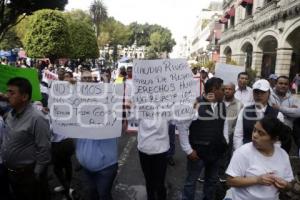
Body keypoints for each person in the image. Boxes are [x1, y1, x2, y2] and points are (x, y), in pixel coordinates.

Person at [177, 77, 229, 200]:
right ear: (213, 89)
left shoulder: (222, 105)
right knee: (191, 181)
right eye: (222, 89)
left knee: (211, 181)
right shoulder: (195, 104)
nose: (225, 91)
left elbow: (224, 123)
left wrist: (225, 140)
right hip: (198, 153)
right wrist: (188, 150)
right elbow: (183, 126)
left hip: (216, 152)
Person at [1, 77, 51, 200]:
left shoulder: (37, 118)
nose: (8, 95)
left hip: (29, 175)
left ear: (24, 97)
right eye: (8, 92)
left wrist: (37, 173)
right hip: (12, 173)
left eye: (12, 93)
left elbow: (44, 147)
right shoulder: (10, 114)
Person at [226, 116, 294, 200]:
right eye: (254, 130)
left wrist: (285, 185)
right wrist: (257, 180)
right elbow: (230, 181)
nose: (254, 135)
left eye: (261, 133)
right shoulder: (243, 152)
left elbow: (290, 184)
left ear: (274, 139)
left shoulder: (283, 155)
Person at [75, 70, 118, 200]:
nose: (87, 81)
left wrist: (107, 85)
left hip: (105, 166)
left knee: (103, 195)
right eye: (84, 79)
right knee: (91, 194)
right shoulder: (76, 103)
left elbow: (112, 105)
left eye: (90, 78)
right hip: (86, 165)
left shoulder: (106, 103)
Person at [233, 79, 284, 151]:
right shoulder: (244, 111)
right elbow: (238, 136)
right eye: (256, 92)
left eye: (262, 92)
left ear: (269, 93)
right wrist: (240, 153)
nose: (259, 95)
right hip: (246, 153)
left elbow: (277, 141)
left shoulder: (277, 115)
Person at [219, 82, 243, 181]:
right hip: (217, 134)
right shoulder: (218, 102)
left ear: (234, 90)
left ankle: (222, 174)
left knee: (226, 156)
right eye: (225, 89)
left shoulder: (240, 105)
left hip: (230, 135)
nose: (227, 91)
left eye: (230, 89)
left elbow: (239, 122)